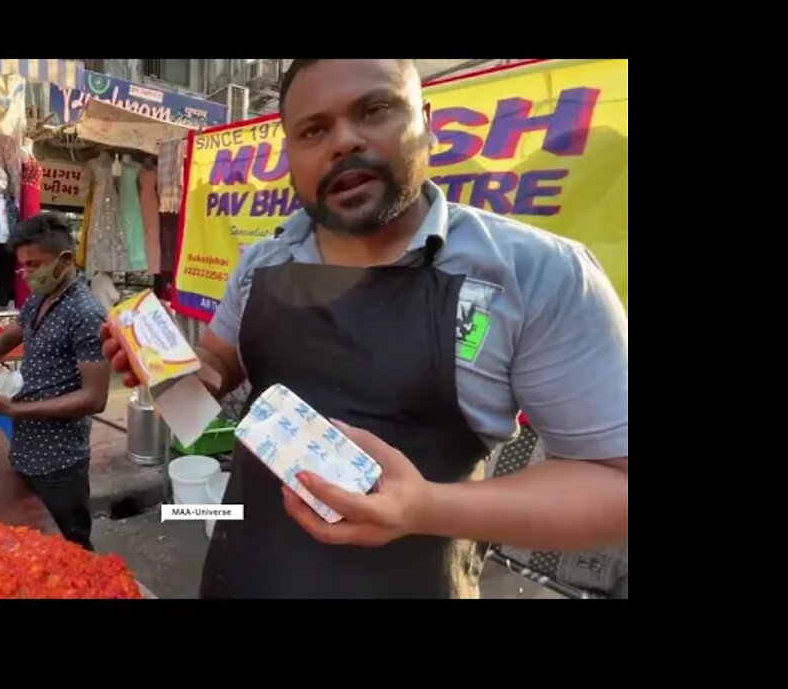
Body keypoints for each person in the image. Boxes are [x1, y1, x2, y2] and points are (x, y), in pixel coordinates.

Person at [101, 59, 628, 599]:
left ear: (425, 121)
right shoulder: (260, 264)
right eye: (314, 130)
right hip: (240, 576)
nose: (344, 142)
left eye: (374, 110)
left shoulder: (538, 275)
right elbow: (208, 385)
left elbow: (615, 483)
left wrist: (426, 507)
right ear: (291, 155)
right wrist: (162, 369)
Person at [0, 215, 110, 551]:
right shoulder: (38, 300)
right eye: (23, 267)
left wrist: (11, 408)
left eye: (34, 265)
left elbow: (95, 398)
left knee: (72, 549)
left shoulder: (85, 312)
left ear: (65, 260)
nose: (27, 274)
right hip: (24, 449)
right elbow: (0, 344)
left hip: (61, 460)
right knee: (32, 544)